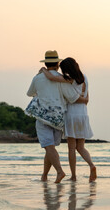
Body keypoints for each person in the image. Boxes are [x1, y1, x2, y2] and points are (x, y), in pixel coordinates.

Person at [27, 50, 89, 183]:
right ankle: (44, 176)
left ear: (46, 63)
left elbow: (30, 93)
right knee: (50, 148)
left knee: (49, 147)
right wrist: (84, 99)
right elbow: (72, 97)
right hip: (58, 119)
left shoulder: (37, 78)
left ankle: (60, 172)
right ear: (57, 63)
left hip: (43, 117)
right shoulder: (63, 80)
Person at [41, 57, 97, 182]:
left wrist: (44, 70)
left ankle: (73, 176)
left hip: (71, 114)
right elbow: (86, 98)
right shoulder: (84, 78)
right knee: (81, 147)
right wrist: (84, 100)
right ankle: (91, 165)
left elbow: (52, 77)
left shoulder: (68, 79)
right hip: (83, 114)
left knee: (72, 148)